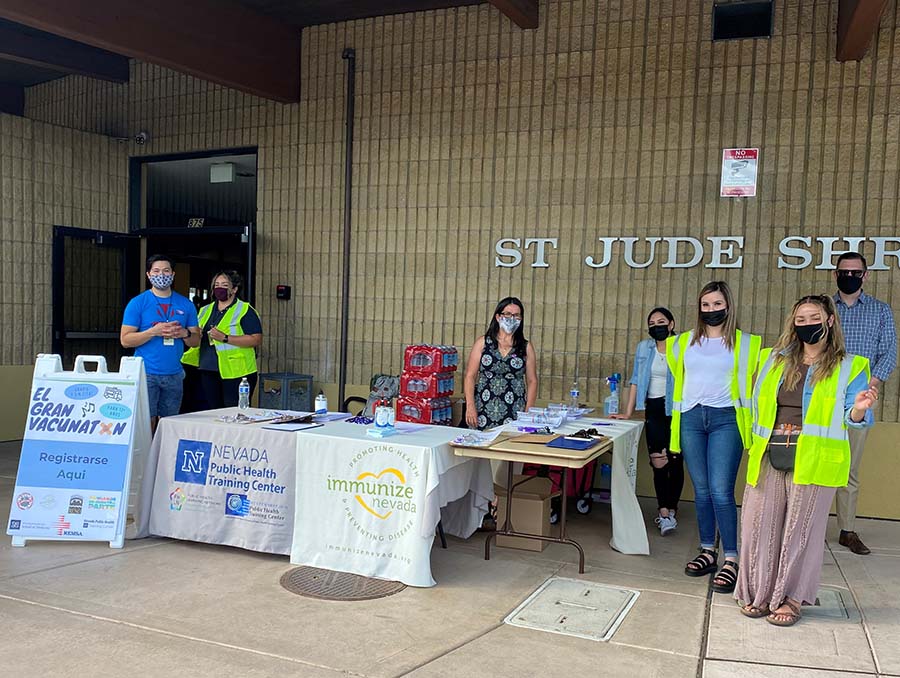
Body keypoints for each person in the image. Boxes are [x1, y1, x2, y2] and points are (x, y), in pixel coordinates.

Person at [736, 295, 876, 625]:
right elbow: (759, 406)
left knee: (800, 533)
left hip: (815, 459)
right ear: (793, 324)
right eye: (800, 319)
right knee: (759, 525)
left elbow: (852, 417)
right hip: (770, 453)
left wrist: (858, 408)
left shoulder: (850, 366)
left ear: (829, 320)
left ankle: (791, 598)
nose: (807, 324)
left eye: (814, 317)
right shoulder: (773, 360)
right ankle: (758, 593)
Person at [667, 281, 761, 593]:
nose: (711, 310)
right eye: (705, 305)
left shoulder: (746, 344)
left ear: (728, 306)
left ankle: (732, 558)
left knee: (721, 491)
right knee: (702, 490)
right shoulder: (682, 343)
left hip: (726, 420)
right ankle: (708, 550)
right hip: (692, 419)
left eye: (717, 304)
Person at [831, 252, 897, 555]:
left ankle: (847, 529)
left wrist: (872, 384)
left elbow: (889, 353)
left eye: (855, 272)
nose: (849, 276)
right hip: (821, 396)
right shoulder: (823, 307)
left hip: (858, 401)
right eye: (844, 271)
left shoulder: (880, 311)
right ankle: (805, 525)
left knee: (850, 469)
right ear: (836, 274)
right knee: (811, 464)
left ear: (865, 275)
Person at [612, 307, 682, 536]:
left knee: (675, 459)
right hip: (653, 408)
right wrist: (628, 412)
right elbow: (635, 380)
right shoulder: (644, 347)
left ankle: (672, 509)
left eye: (661, 321)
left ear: (671, 324)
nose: (656, 326)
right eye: (652, 323)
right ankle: (663, 513)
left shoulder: (682, 346)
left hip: (678, 408)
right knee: (658, 459)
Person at [121, 255, 200, 433]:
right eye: (156, 271)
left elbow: (196, 341)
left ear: (172, 274)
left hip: (174, 374)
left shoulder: (185, 304)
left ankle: (164, 458)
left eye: (166, 271)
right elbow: (125, 340)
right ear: (148, 275)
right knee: (145, 424)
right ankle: (146, 459)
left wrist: (184, 333)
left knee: (169, 424)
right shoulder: (138, 303)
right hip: (146, 373)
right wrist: (153, 332)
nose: (161, 275)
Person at [182, 270, 263, 409]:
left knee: (234, 412)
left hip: (237, 371)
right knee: (214, 412)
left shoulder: (244, 309)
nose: (219, 288)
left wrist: (225, 338)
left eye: (225, 285)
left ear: (235, 289)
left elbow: (256, 339)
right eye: (217, 284)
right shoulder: (205, 309)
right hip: (208, 368)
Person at [464, 297, 538, 429]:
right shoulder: (483, 342)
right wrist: (470, 406)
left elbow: (532, 381)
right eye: (508, 314)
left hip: (515, 407)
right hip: (483, 407)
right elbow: (470, 376)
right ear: (498, 317)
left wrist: (528, 412)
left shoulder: (525, 347)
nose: (512, 318)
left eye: (516, 315)